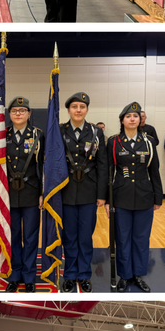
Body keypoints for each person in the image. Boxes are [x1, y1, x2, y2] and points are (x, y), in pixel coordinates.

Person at [109, 102, 163, 293]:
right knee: (123, 239)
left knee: (141, 239)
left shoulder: (148, 142)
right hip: (120, 196)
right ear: (122, 120)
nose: (132, 119)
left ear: (140, 120)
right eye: (128, 116)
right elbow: (108, 173)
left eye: (136, 116)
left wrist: (158, 198)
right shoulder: (113, 142)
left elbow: (154, 171)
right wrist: (108, 201)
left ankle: (138, 275)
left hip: (144, 196)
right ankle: (124, 275)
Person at [60, 92, 107, 292]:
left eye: (82, 107)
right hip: (66, 191)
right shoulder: (59, 131)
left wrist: (101, 194)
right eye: (74, 107)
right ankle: (70, 274)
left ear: (87, 110)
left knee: (85, 236)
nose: (78, 110)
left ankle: (84, 274)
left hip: (89, 190)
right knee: (69, 236)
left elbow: (103, 165)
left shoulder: (96, 133)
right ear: (68, 110)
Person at [3, 97, 44, 293]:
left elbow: (43, 166)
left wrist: (43, 193)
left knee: (30, 237)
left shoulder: (38, 135)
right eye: (14, 110)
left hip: (31, 193)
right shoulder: (2, 135)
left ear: (29, 113)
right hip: (8, 193)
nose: (18, 113)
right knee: (12, 237)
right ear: (9, 114)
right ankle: (14, 274)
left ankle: (29, 276)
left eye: (22, 110)